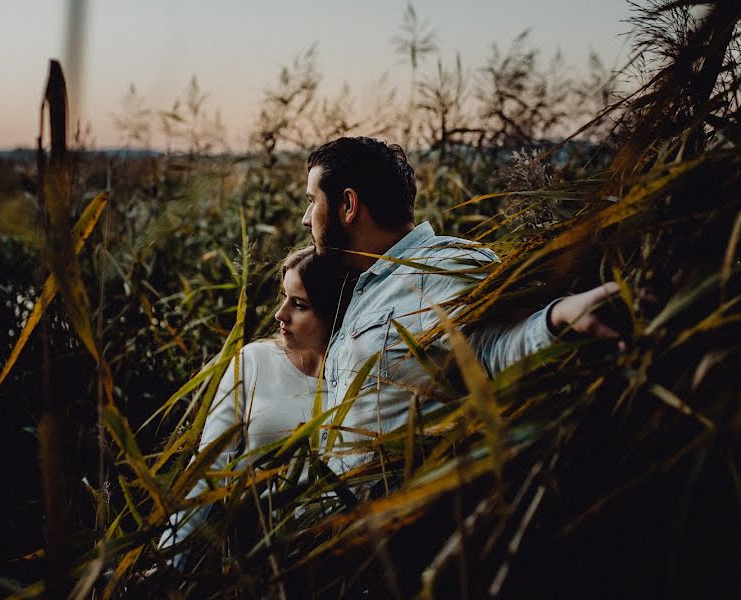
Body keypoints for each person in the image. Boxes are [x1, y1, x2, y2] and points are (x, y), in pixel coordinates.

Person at [301, 137, 623, 474]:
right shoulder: (365, 282)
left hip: (406, 516)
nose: (307, 219)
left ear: (348, 205)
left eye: (313, 201)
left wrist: (558, 319)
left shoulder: (442, 267)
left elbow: (495, 349)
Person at [157, 246, 352, 569]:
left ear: (334, 309)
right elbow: (209, 468)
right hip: (246, 560)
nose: (281, 314)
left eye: (299, 304)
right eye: (283, 296)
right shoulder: (254, 360)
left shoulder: (354, 379)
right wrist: (167, 562)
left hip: (327, 564)